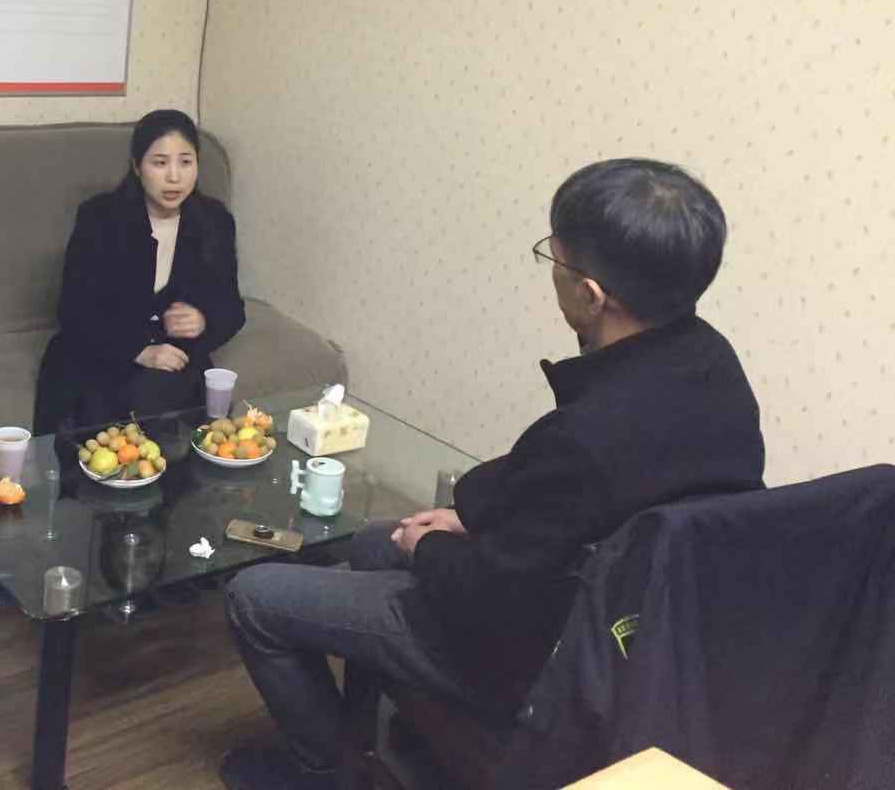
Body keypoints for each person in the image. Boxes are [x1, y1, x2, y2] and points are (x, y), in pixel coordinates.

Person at [219, 158, 766, 790]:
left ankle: (323, 774)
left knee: (254, 597)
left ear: (590, 295)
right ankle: (372, 733)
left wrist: (429, 547)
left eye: (555, 258)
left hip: (540, 658)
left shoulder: (589, 439)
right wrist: (466, 514)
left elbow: (493, 591)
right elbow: (560, 486)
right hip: (644, 626)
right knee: (372, 542)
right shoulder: (708, 358)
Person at [35, 109, 246, 434]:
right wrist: (138, 351)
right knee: (102, 416)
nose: (174, 177)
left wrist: (204, 320)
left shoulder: (214, 221)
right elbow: (73, 311)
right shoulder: (100, 218)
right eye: (160, 163)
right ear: (137, 166)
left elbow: (232, 308)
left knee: (171, 409)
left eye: (185, 162)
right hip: (101, 350)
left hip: (175, 358)